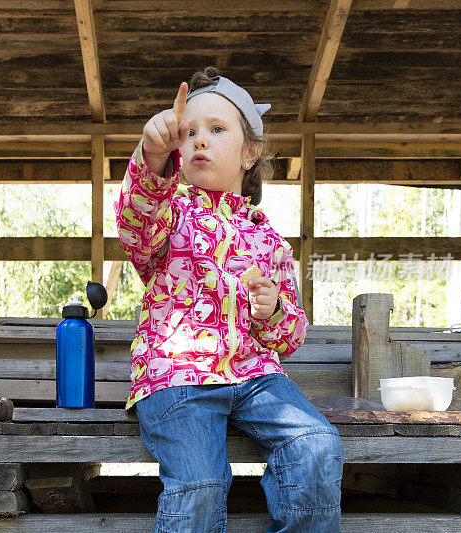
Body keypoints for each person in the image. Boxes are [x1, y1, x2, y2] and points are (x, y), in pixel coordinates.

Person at [114, 66, 344, 532]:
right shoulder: (167, 216)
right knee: (200, 482)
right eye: (188, 131)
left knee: (317, 443)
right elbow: (135, 220)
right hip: (177, 378)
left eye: (217, 130)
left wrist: (273, 310)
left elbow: (291, 334)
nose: (200, 140)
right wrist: (151, 157)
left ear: (250, 152)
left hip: (257, 377)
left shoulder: (271, 240)